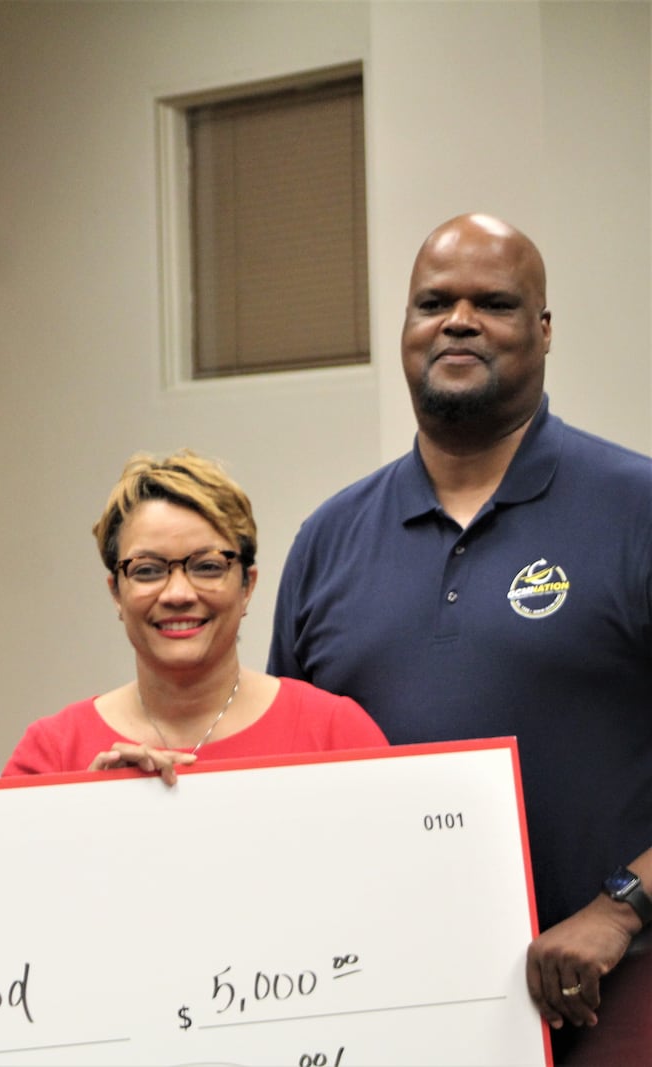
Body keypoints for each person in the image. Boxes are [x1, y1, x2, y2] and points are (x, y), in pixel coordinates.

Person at [267, 213, 652, 1050]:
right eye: (433, 301)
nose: (460, 320)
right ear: (405, 330)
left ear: (544, 331)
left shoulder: (636, 509)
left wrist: (621, 907)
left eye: (496, 303)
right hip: (395, 1009)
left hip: (618, 1003)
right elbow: (284, 780)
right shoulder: (328, 540)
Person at [5, 450, 385, 782]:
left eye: (206, 567)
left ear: (247, 586)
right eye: (148, 570)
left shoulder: (334, 733)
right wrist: (81, 812)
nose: (178, 594)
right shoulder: (52, 754)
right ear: (116, 594)